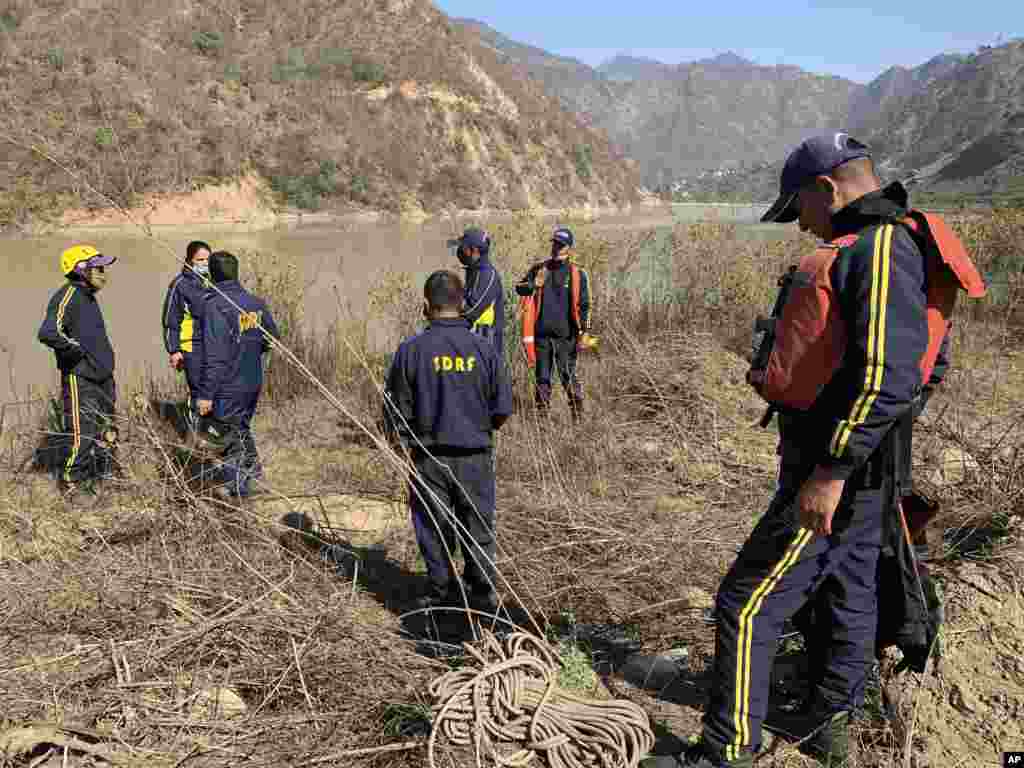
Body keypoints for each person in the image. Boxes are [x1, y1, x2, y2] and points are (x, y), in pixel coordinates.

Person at [644, 133, 983, 768]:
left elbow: (889, 376)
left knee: (744, 603)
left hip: (835, 474)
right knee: (849, 594)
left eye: (799, 205)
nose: (800, 222)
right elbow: (923, 370)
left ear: (826, 187)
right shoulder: (893, 246)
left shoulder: (879, 250)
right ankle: (830, 727)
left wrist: (833, 469)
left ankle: (725, 750)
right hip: (864, 469)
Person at [383, 270, 513, 612]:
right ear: (462, 304)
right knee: (478, 526)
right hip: (475, 457)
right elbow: (502, 410)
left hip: (428, 459)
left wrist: (405, 444)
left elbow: (396, 412)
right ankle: (482, 595)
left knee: (433, 528)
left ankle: (442, 593)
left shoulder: (410, 350)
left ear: (426, 306)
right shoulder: (484, 349)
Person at [194, 251, 279, 500]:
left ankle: (239, 492)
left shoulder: (215, 305)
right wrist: (250, 350)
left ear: (212, 273)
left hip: (227, 383)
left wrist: (206, 394)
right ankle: (255, 475)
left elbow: (215, 354)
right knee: (240, 427)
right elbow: (271, 338)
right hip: (252, 380)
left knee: (226, 436)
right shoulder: (255, 303)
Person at [38, 244, 118, 506]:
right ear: (80, 269)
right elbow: (49, 332)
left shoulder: (88, 296)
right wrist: (78, 353)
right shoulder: (66, 296)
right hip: (80, 377)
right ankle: (72, 484)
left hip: (102, 375)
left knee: (107, 430)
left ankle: (102, 477)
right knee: (82, 433)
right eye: (98, 268)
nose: (103, 273)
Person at [515, 227, 591, 422]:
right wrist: (534, 285)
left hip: (566, 338)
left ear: (569, 248)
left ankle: (578, 417)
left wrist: (584, 333)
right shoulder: (540, 269)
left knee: (568, 376)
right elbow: (519, 288)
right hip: (542, 337)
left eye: (561, 244)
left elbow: (584, 305)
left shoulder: (577, 274)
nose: (557, 247)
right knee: (542, 379)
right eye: (555, 243)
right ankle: (542, 421)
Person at [161, 240, 211, 434]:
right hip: (191, 347)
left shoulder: (212, 282)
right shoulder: (179, 285)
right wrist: (174, 350)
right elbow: (169, 321)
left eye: (208, 259)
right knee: (198, 390)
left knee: (214, 388)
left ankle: (213, 431)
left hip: (212, 345)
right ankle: (196, 432)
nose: (204, 263)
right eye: (200, 259)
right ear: (189, 260)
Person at [448, 227, 505, 358]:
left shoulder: (487, 275)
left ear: (473, 251)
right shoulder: (475, 270)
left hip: (485, 340)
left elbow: (470, 310)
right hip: (475, 338)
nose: (459, 252)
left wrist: (444, 324)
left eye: (462, 248)